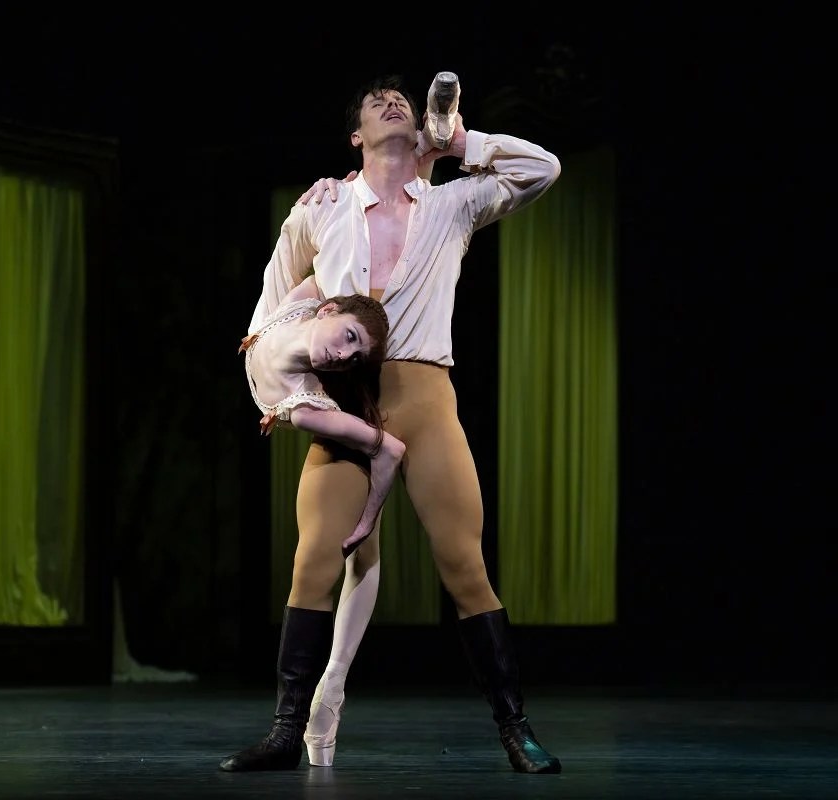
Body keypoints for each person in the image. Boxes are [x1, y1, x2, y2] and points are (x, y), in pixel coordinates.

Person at [219, 73, 562, 775]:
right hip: (350, 403)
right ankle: (287, 731)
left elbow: (542, 169)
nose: (391, 101)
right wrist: (288, 394)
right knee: (314, 560)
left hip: (427, 399)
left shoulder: (453, 205)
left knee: (464, 563)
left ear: (420, 128)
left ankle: (515, 728)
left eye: (401, 101)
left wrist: (459, 140)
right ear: (356, 136)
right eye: (375, 103)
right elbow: (269, 313)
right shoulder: (323, 208)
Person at [240, 275, 405, 558]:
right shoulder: (298, 304)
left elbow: (391, 449)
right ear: (327, 309)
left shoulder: (305, 410)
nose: (343, 355)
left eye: (355, 359)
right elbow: (322, 271)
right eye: (350, 336)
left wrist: (366, 523)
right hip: (271, 318)